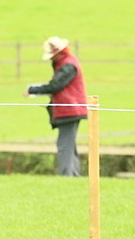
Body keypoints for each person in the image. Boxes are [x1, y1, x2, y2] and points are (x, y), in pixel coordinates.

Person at [26, 36, 88, 176]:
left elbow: (55, 86)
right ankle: (74, 174)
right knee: (69, 144)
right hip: (71, 108)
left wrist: (32, 90)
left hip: (69, 109)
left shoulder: (68, 65)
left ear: (59, 53)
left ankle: (67, 175)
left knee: (64, 145)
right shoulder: (67, 63)